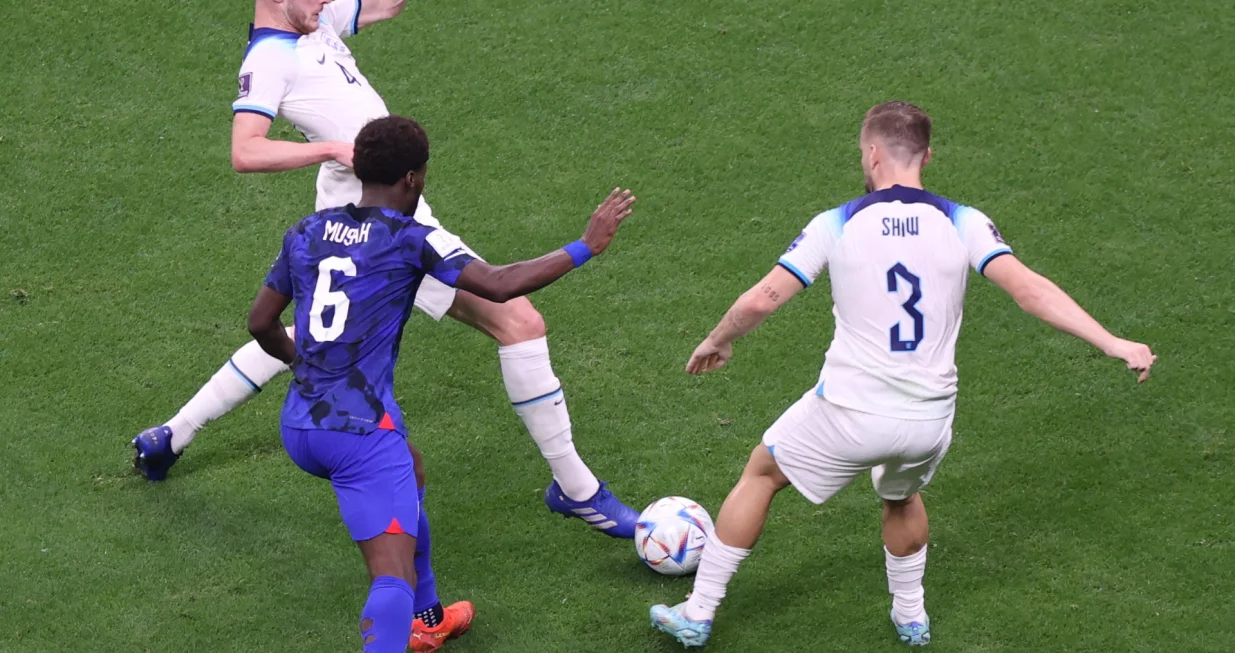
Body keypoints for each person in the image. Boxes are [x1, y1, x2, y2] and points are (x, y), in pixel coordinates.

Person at [650, 101, 1157, 648]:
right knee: (900, 497)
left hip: (848, 411)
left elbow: (762, 300)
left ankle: (698, 612)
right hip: (927, 420)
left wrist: (718, 339)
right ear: (928, 156)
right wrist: (1113, 341)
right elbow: (1029, 289)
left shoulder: (838, 222)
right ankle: (911, 618)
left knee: (762, 474)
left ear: (871, 153)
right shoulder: (964, 220)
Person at [131, 0, 640, 538]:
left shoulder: (315, 21)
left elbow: (386, 5)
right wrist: (331, 148)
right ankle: (578, 491)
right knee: (518, 322)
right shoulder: (272, 56)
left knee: (314, 332)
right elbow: (245, 151)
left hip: (389, 210)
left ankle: (170, 434)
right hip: (375, 224)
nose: (325, 3)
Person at [247, 115, 636, 652]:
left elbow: (260, 323)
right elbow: (499, 286)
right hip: (357, 434)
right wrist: (585, 246)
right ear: (413, 178)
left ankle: (429, 617)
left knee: (411, 467)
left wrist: (305, 367)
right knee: (390, 579)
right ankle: (407, 620)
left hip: (300, 423)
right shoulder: (410, 240)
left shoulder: (305, 232)